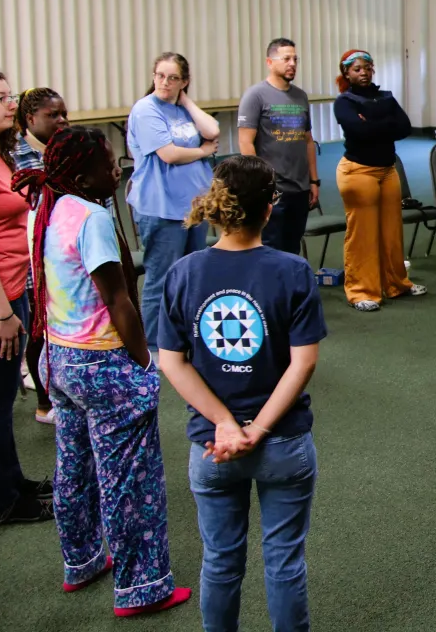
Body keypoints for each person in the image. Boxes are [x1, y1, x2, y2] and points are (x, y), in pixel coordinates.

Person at [13, 125, 190, 615]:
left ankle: (82, 561)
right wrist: (145, 363)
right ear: (81, 173)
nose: (115, 170)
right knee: (131, 480)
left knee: (75, 469)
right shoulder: (91, 217)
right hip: (103, 363)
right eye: (108, 164)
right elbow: (118, 300)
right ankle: (143, 588)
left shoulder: (46, 209)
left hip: (60, 358)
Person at [158, 155, 326, 632]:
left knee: (221, 562)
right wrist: (259, 428)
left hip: (213, 447)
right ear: (270, 209)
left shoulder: (183, 273)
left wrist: (225, 423)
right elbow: (303, 362)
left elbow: (173, 361)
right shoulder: (293, 271)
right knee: (285, 564)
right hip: (283, 443)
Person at [0, 73, 54, 525]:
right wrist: (3, 312)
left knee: (0, 399)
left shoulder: (0, 152)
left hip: (16, 286)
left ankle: (12, 481)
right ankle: (0, 501)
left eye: (9, 95)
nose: (10, 103)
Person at [127, 52, 218, 350]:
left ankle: (184, 338)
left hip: (195, 206)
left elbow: (213, 131)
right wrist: (204, 152)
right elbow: (169, 154)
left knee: (192, 276)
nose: (165, 83)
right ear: (153, 76)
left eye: (173, 78)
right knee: (161, 279)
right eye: (160, 76)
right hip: (161, 208)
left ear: (184, 81)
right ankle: (153, 346)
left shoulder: (181, 109)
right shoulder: (145, 110)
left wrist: (186, 101)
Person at [332, 49, 425, 311]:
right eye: (357, 69)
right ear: (347, 73)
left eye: (368, 67)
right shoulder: (344, 101)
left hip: (387, 170)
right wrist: (384, 123)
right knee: (362, 234)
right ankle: (362, 291)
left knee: (392, 232)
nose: (364, 73)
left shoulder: (385, 96)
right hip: (358, 171)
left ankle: (397, 284)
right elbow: (358, 131)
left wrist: (372, 122)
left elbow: (404, 127)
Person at [12, 87, 69, 424]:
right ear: (30, 119)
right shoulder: (16, 154)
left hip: (62, 253)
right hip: (31, 257)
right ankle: (44, 404)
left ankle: (61, 392)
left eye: (63, 113)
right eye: (52, 115)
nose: (61, 120)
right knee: (38, 329)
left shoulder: (66, 148)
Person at [239, 39, 320, 254]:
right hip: (272, 191)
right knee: (270, 248)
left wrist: (313, 180)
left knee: (292, 247)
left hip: (300, 188)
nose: (292, 63)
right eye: (286, 59)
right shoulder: (255, 95)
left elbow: (308, 141)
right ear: (269, 62)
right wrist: (260, 185)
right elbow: (245, 143)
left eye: (295, 59)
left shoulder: (300, 96)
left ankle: (290, 288)